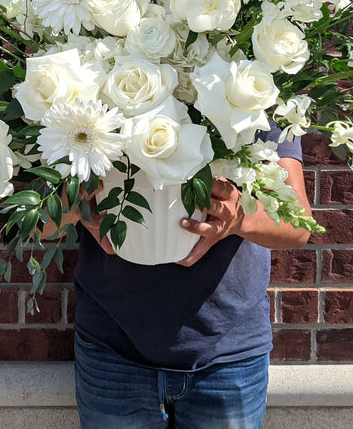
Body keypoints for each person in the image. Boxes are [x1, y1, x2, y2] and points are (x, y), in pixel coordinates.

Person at [67, 130, 312, 429]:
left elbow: (298, 225)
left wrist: (238, 219)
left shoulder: (258, 91)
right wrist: (73, 206)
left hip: (226, 353)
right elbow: (32, 224)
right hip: (112, 349)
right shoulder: (84, 91)